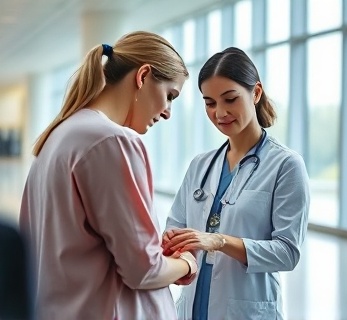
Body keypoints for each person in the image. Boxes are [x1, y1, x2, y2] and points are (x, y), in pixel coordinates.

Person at [19, 31, 198, 320]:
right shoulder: (111, 142)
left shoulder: (56, 138)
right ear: (143, 76)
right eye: (169, 95)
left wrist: (149, 246)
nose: (167, 113)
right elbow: (144, 270)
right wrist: (187, 262)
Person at [162, 47, 310, 320]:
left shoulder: (286, 165)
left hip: (246, 309)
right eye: (210, 103)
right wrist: (174, 240)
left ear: (255, 93)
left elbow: (288, 252)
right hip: (193, 306)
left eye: (230, 99)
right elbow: (176, 225)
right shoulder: (200, 165)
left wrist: (218, 241)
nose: (220, 113)